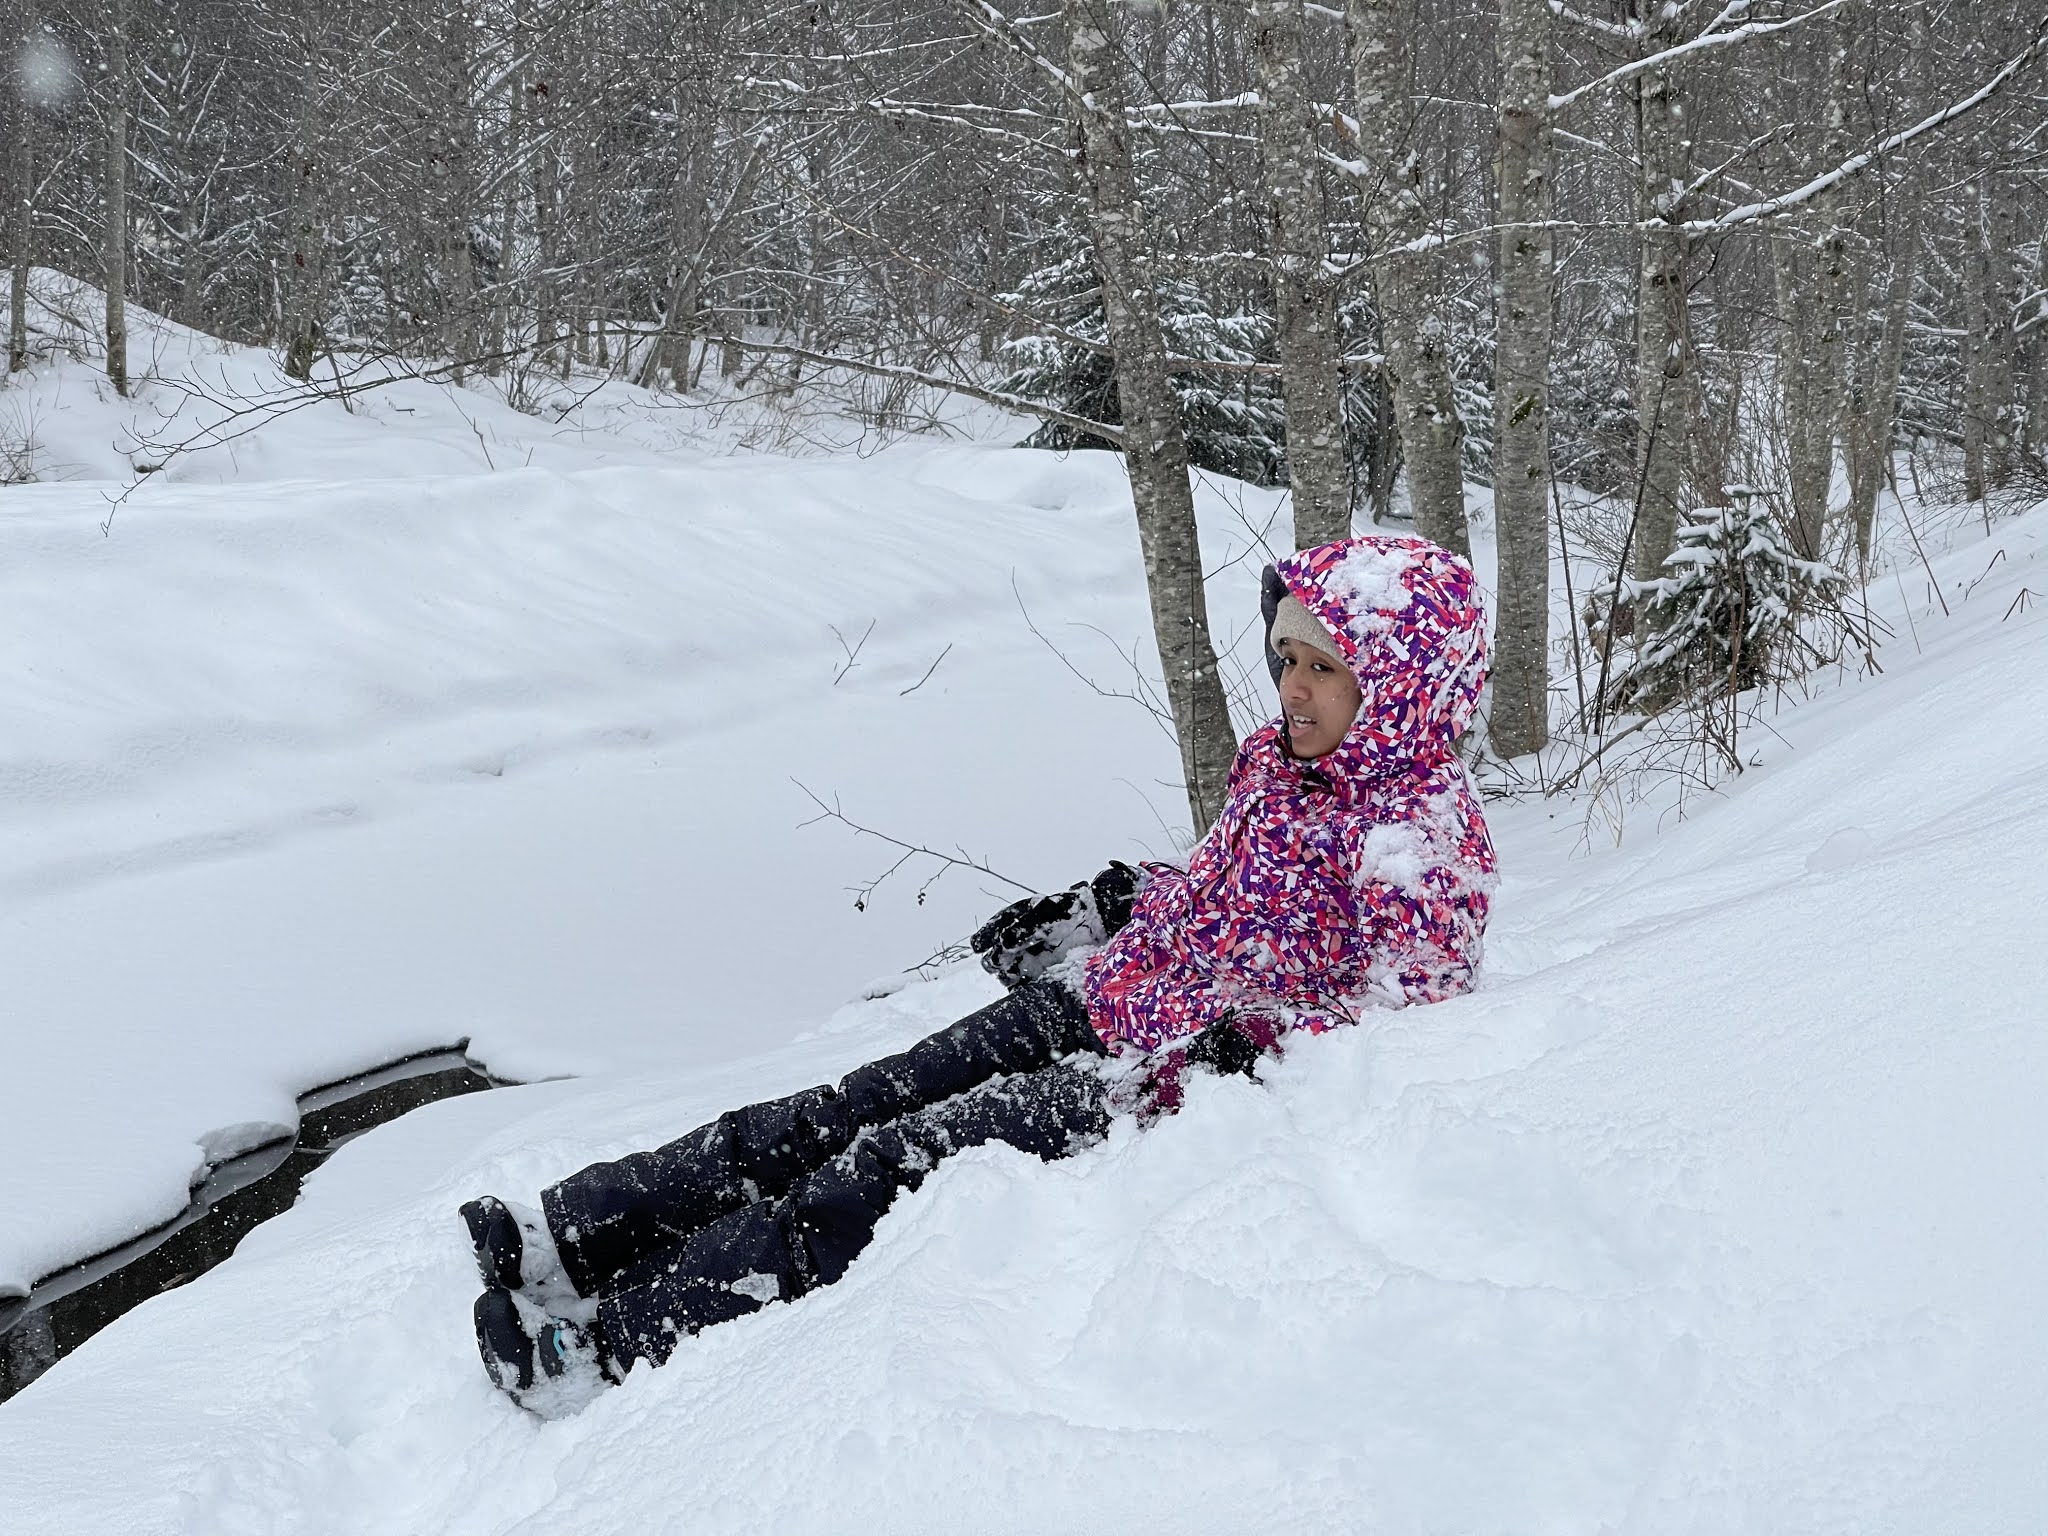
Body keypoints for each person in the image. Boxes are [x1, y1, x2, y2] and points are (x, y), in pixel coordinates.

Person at [462, 533, 1497, 1416]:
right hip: (1106, 996)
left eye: (1322, 666)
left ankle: (605, 1347)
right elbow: (1225, 899)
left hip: (1154, 1079)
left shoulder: (1417, 837)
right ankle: (579, 1235)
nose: (1291, 688)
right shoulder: (1275, 768)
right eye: (1283, 660)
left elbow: (1406, 1019)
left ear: (1396, 676)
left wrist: (1244, 1046)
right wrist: (1107, 903)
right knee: (847, 1105)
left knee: (887, 1171)